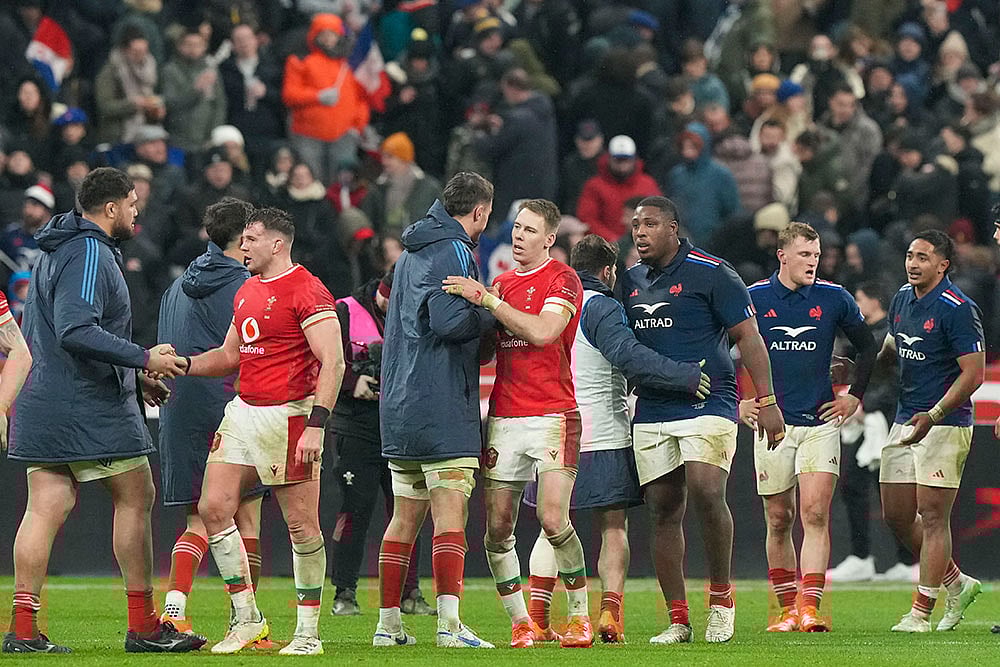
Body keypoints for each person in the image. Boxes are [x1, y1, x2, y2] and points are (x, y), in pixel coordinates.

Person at [4, 167, 198, 654]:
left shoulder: (56, 248)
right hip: (86, 406)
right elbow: (77, 330)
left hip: (43, 398)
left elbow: (61, 334)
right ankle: (144, 625)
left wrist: (133, 377)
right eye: (132, 204)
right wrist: (143, 358)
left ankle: (23, 630)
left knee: (45, 506)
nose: (136, 212)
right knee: (136, 494)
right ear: (110, 208)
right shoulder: (90, 251)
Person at [521, 234, 711, 644]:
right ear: (608, 272)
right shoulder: (601, 305)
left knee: (550, 527)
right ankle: (610, 614)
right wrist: (681, 376)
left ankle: (537, 619)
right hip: (602, 433)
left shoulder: (548, 305)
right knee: (612, 526)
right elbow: (628, 356)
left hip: (552, 429)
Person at [620, 196, 784, 644]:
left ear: (673, 228)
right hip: (654, 407)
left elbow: (749, 337)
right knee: (662, 508)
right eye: (636, 225)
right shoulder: (629, 280)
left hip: (710, 399)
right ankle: (678, 619)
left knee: (707, 488)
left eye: (650, 224)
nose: (640, 233)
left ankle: (721, 600)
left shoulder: (714, 272)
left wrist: (767, 400)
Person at [181, 207, 345, 655]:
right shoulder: (247, 289)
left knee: (301, 525)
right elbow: (230, 355)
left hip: (290, 415)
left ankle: (308, 634)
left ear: (277, 243)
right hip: (243, 411)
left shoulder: (308, 290)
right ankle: (248, 618)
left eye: (251, 239)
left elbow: (334, 362)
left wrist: (316, 426)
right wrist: (184, 364)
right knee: (213, 507)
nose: (243, 246)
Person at [441, 199, 591, 648]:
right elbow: (488, 349)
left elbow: (543, 332)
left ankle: (579, 616)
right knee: (497, 529)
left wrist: (487, 300)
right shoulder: (503, 283)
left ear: (549, 238)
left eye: (529, 230)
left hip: (552, 413)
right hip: (505, 415)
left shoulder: (563, 279)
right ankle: (522, 623)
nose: (519, 236)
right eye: (516, 228)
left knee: (552, 518)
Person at [374, 172, 497, 649]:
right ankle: (449, 625)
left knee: (403, 519)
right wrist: (489, 310)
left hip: (400, 407)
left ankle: (388, 626)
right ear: (480, 211)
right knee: (450, 517)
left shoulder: (409, 254)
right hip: (442, 403)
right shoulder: (456, 250)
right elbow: (447, 322)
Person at [739, 222, 876, 632]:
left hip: (820, 421)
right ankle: (785, 610)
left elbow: (868, 346)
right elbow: (719, 348)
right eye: (804, 255)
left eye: (815, 255)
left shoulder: (834, 298)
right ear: (782, 255)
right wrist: (738, 402)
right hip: (773, 422)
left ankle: (811, 608)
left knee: (815, 512)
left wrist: (854, 395)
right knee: (779, 517)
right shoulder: (754, 298)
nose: (813, 262)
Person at [155, 198, 268, 639]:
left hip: (179, 407)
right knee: (247, 516)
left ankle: (174, 610)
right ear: (243, 238)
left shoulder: (177, 285)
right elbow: (251, 352)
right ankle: (248, 621)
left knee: (198, 520)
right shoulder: (248, 286)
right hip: (229, 406)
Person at [879, 230, 984, 633]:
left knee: (933, 515)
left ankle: (921, 612)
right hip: (906, 418)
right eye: (910, 255)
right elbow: (892, 350)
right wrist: (857, 373)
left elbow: (973, 373)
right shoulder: (902, 298)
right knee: (896, 515)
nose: (913, 263)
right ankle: (957, 583)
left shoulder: (958, 308)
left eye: (923, 257)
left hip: (945, 423)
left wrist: (936, 414)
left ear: (943, 265)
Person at [325, 268, 435, 617]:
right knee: (354, 509)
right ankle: (344, 592)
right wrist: (352, 382)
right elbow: (325, 359)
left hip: (401, 425)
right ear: (382, 291)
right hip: (356, 424)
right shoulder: (345, 310)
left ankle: (410, 592)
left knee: (408, 511)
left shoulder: (416, 313)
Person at [828, 282, 916, 584]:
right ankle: (864, 557)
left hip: (887, 422)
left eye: (860, 298)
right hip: (869, 423)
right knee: (854, 485)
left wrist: (866, 404)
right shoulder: (863, 335)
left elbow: (897, 381)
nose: (856, 304)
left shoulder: (889, 336)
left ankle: (908, 559)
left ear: (875, 301)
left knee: (888, 492)